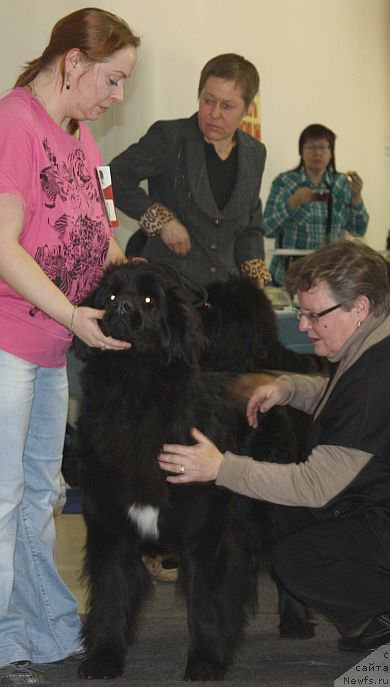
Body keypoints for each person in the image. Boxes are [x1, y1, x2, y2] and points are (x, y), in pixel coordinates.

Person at [159, 239, 390, 653]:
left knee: (298, 559)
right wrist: (290, 388)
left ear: (359, 306)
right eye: (300, 312)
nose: (302, 326)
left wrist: (221, 468)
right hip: (374, 502)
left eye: (314, 315)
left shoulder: (376, 378)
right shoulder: (373, 343)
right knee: (285, 517)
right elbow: (340, 399)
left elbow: (315, 485)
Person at [0, 8, 140, 685]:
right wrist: (75, 315)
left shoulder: (83, 140)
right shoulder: (14, 122)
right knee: (2, 499)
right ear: (74, 63)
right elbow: (3, 247)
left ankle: (46, 626)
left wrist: (147, 295)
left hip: (55, 344)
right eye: (112, 81)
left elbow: (104, 239)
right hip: (10, 339)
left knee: (41, 493)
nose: (117, 98)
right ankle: (4, 641)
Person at [110, 53, 270, 289]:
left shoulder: (255, 152)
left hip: (225, 294)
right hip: (169, 290)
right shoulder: (170, 137)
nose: (214, 114)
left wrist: (254, 273)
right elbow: (110, 177)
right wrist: (161, 220)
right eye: (208, 101)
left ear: (247, 108)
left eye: (227, 106)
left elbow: (250, 225)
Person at [263, 123, 369, 285]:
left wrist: (357, 197)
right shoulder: (285, 182)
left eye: (323, 147)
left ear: (331, 152)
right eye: (310, 147)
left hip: (331, 277)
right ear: (301, 151)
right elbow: (267, 228)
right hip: (289, 278)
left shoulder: (341, 183)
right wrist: (293, 202)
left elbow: (359, 229)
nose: (317, 153)